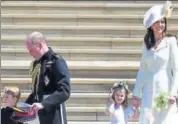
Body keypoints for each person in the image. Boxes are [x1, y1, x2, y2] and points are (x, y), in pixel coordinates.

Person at [132, 1, 178, 123]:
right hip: (148, 89)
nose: (160, 25)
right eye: (156, 22)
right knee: (147, 119)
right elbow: (142, 69)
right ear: (151, 25)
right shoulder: (146, 43)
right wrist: (136, 93)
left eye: (162, 22)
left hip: (165, 88)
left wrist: (173, 93)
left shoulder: (171, 41)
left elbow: (176, 68)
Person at [25, 31, 71, 124]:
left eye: (31, 50)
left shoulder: (56, 61)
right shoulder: (37, 63)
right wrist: (24, 106)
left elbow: (64, 91)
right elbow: (36, 92)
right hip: (39, 115)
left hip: (53, 114)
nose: (30, 53)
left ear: (40, 45)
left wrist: (44, 104)